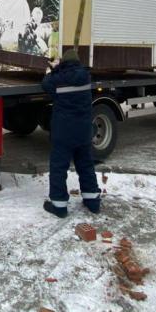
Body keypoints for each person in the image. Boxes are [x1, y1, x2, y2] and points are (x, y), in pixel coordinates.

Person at [41, 48, 101, 218]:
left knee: (59, 168)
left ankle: (59, 206)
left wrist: (52, 69)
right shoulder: (85, 76)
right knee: (86, 165)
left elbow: (46, 84)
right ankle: (93, 202)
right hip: (83, 132)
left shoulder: (59, 78)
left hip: (64, 133)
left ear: (64, 63)